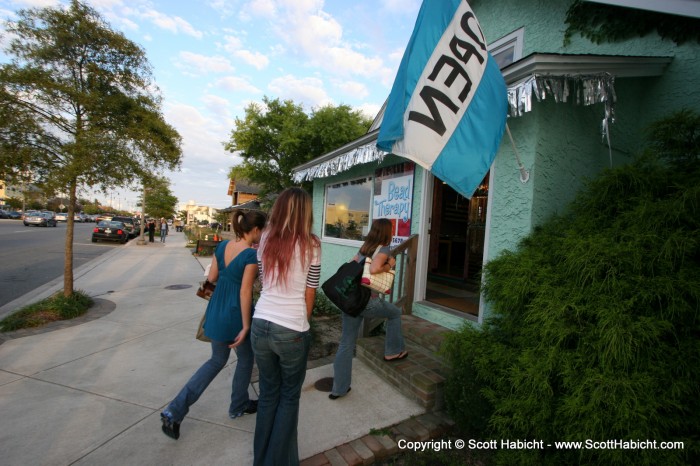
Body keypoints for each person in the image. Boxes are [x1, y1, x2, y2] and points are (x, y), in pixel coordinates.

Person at [160, 209, 267, 440]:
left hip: (216, 308)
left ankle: (175, 410)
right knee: (246, 358)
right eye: (263, 231)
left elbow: (213, 278)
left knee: (216, 361)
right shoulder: (250, 256)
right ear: (256, 230)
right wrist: (246, 325)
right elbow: (245, 291)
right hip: (236, 313)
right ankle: (237, 405)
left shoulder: (221, 247)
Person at [251, 187, 321, 466]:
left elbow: (262, 283)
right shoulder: (312, 244)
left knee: (268, 394)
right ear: (306, 212)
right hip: (291, 328)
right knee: (289, 397)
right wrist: (301, 323)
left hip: (260, 323)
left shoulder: (264, 238)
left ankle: (262, 459)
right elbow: (310, 291)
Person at [329, 218, 407, 400]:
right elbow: (374, 269)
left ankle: (339, 389)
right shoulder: (384, 249)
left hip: (351, 302)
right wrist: (390, 265)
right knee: (395, 313)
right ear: (386, 232)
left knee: (346, 343)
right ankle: (393, 351)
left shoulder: (365, 248)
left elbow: (352, 264)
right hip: (368, 302)